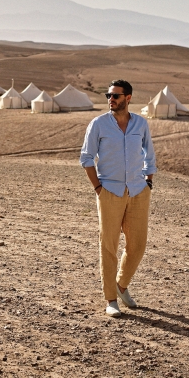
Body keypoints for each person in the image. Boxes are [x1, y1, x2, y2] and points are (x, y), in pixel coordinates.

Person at [80, 79, 156, 317]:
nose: (110, 100)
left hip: (137, 191)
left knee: (138, 245)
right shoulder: (99, 124)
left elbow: (149, 155)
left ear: (128, 98)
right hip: (109, 192)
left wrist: (148, 182)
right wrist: (98, 188)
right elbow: (86, 158)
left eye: (115, 96)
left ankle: (121, 285)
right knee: (109, 246)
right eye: (108, 96)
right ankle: (111, 299)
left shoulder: (140, 124)